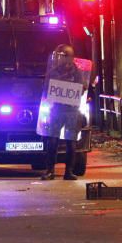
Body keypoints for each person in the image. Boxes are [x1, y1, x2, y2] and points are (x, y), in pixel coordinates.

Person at [38, 44, 86, 181]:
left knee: (71, 142)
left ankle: (69, 171)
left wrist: (81, 88)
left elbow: (81, 89)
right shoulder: (53, 72)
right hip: (56, 109)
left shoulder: (77, 73)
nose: (60, 59)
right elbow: (46, 88)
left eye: (63, 56)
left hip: (71, 111)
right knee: (52, 141)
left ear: (69, 57)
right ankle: (50, 171)